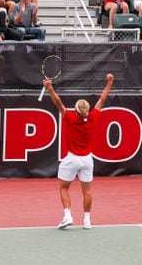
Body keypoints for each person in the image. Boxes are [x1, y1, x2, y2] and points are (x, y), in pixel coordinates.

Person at [45, 73, 115, 230]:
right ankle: (87, 221)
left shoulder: (69, 116)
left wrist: (49, 88)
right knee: (87, 191)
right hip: (87, 160)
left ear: (76, 110)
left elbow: (59, 103)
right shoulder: (94, 117)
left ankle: (68, 216)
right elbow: (102, 100)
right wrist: (109, 83)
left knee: (64, 188)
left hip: (72, 159)